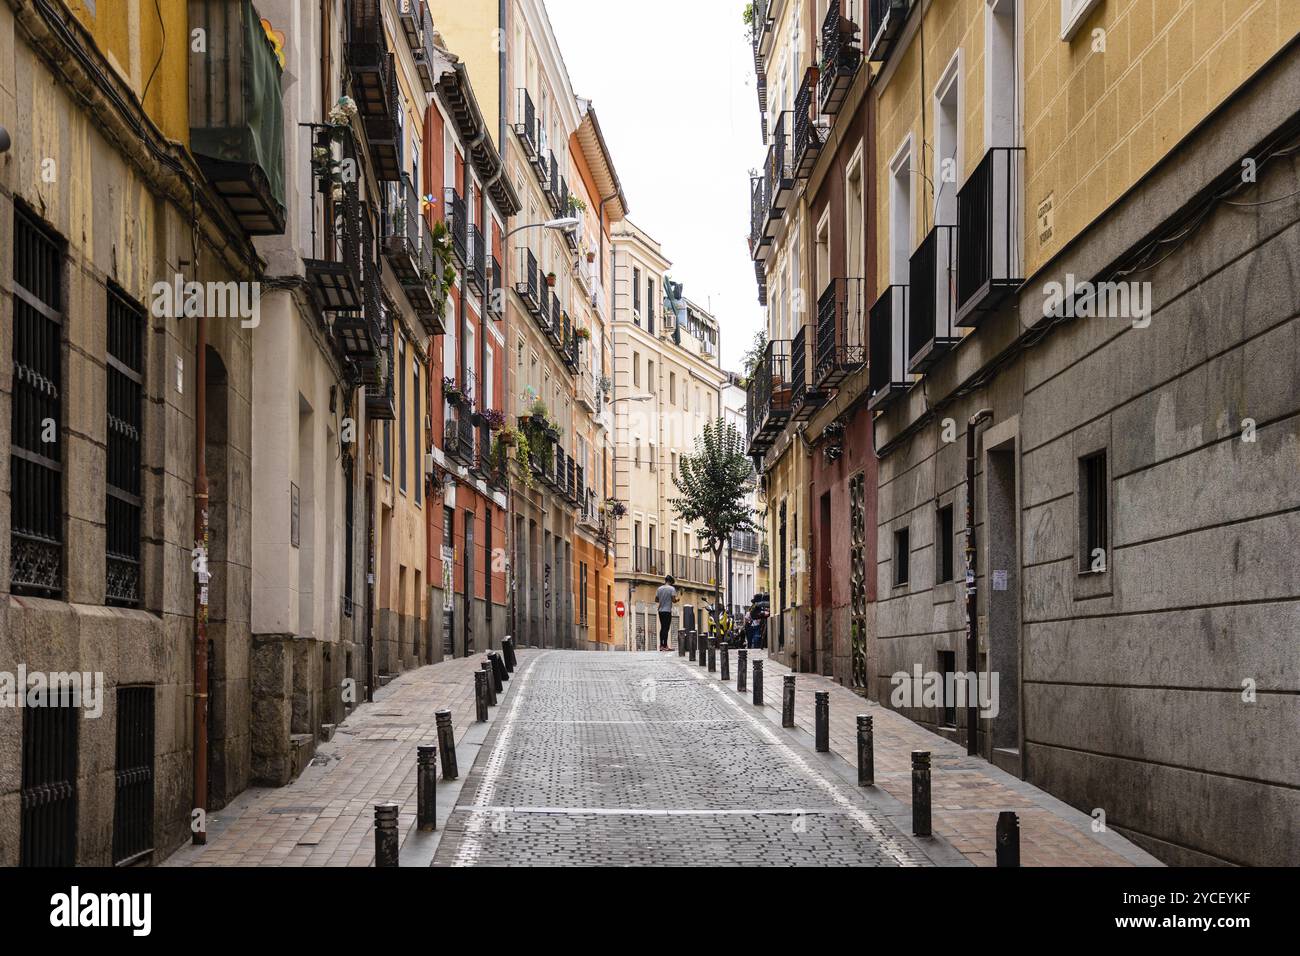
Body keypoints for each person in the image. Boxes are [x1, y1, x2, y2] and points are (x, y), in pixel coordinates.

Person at [656, 575, 678, 651]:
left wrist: (662, 599)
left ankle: (661, 645)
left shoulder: (659, 588)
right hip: (667, 611)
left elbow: (656, 599)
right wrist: (677, 600)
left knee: (662, 628)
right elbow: (673, 600)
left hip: (660, 611)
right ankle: (665, 645)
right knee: (666, 628)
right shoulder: (672, 589)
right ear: (671, 582)